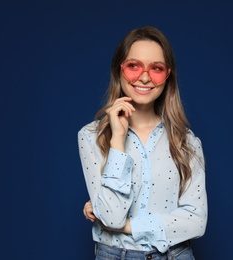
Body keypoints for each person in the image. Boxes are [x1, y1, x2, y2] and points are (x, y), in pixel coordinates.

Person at [78, 25, 207, 259]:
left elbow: (196, 221)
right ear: (119, 70)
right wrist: (117, 139)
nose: (145, 77)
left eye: (156, 68)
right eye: (134, 66)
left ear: (168, 76)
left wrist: (128, 226)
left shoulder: (186, 142)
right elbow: (112, 215)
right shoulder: (91, 137)